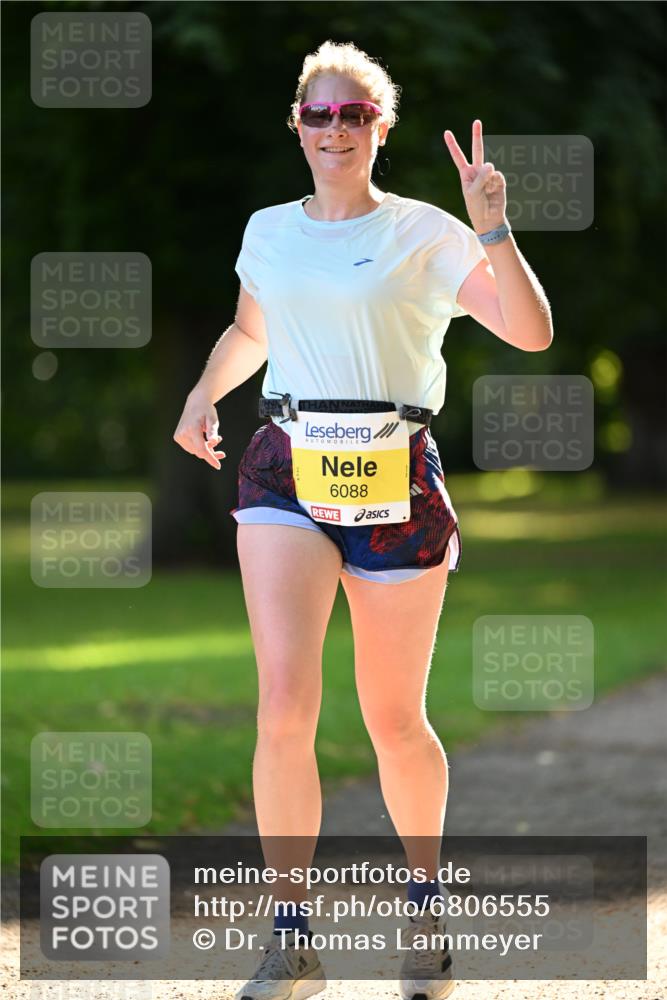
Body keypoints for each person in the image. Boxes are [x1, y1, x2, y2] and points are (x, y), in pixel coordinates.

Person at [173, 38, 552, 1000]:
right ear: (296, 125)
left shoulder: (429, 232)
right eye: (319, 114)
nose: (335, 129)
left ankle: (425, 910)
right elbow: (253, 330)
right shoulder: (267, 230)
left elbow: (529, 330)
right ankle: (291, 935)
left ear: (379, 128)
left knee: (393, 719)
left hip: (396, 474)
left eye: (353, 115)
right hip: (285, 470)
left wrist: (495, 229)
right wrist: (203, 393)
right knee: (285, 702)